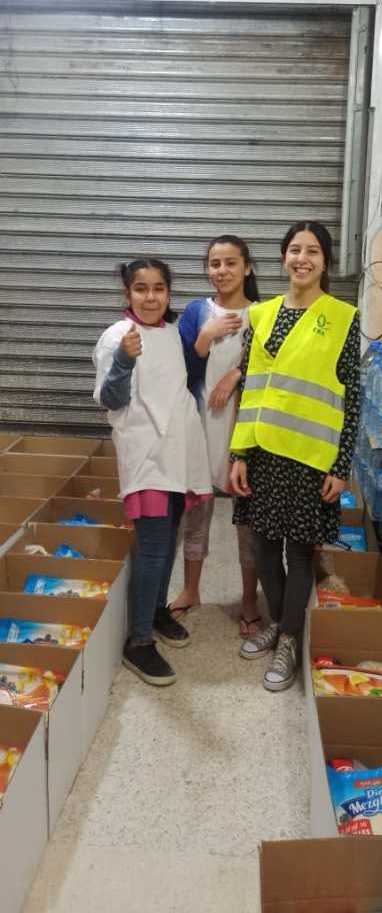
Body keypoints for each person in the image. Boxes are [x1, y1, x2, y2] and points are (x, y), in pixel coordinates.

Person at [230, 221, 360, 692]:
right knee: (264, 548)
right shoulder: (261, 314)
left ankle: (289, 637)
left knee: (300, 553)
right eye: (294, 250)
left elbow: (352, 395)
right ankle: (281, 623)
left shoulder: (342, 317)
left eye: (312, 251)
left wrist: (341, 467)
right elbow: (252, 388)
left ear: (325, 262)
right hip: (263, 451)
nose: (301, 259)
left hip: (310, 456)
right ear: (283, 257)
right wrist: (239, 453)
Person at [93, 258, 212, 687]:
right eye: (141, 289)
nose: (150, 297)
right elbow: (110, 399)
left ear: (168, 293)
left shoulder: (170, 334)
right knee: (154, 548)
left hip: (178, 455)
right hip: (147, 458)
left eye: (158, 288)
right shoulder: (117, 336)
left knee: (170, 539)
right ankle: (139, 641)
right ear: (127, 293)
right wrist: (124, 362)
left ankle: (157, 611)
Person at [172, 235, 261, 638]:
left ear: (247, 267)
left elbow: (273, 369)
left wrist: (237, 374)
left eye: (230, 262)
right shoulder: (197, 312)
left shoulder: (263, 314)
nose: (221, 271)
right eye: (214, 263)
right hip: (200, 425)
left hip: (244, 431)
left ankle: (248, 599)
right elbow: (180, 372)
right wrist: (204, 338)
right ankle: (191, 590)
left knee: (247, 519)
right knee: (196, 512)